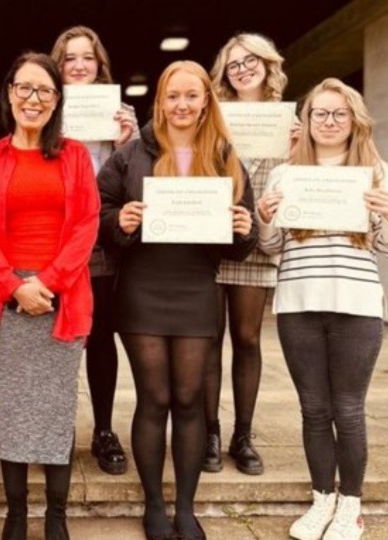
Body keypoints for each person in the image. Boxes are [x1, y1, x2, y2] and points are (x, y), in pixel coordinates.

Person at [97, 60, 257, 540]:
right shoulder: (129, 154)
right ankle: (152, 506)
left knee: (190, 400)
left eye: (192, 95)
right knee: (156, 397)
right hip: (144, 288)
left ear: (206, 100)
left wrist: (246, 232)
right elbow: (98, 209)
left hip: (197, 288)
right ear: (160, 102)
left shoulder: (225, 155)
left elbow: (243, 230)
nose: (182, 105)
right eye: (173, 96)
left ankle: (185, 508)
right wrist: (117, 222)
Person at [257, 77, 388, 540]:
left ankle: (351, 507)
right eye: (319, 113)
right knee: (313, 408)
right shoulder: (285, 174)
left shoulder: (379, 173)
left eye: (337, 113)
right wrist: (265, 218)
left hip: (357, 304)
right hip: (298, 304)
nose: (328, 121)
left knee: (348, 408)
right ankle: (322, 498)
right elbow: (271, 247)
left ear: (354, 121)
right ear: (305, 122)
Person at [0, 52, 99, 540]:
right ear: (9, 94)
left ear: (56, 101)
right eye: (24, 88)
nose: (33, 99)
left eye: (43, 90)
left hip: (61, 296)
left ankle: (56, 515)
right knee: (11, 409)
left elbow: (86, 224)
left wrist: (49, 282)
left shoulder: (76, 155)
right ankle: (17, 513)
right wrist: (14, 286)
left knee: (55, 408)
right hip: (6, 299)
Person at [49, 25, 138, 477]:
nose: (80, 65)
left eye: (88, 57)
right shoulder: (44, 107)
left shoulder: (118, 115)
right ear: (58, 66)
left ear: (100, 65)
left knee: (100, 336)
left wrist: (128, 143)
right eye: (70, 58)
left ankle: (103, 430)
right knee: (58, 338)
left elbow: (134, 176)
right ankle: (56, 430)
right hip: (53, 239)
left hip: (99, 238)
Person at [201, 32, 291, 476]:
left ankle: (243, 434)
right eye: (233, 63)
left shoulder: (287, 119)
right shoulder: (212, 116)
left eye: (249, 60)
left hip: (256, 243)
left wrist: (301, 148)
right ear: (224, 72)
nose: (242, 69)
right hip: (215, 238)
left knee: (249, 338)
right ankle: (210, 432)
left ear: (267, 64)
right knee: (210, 339)